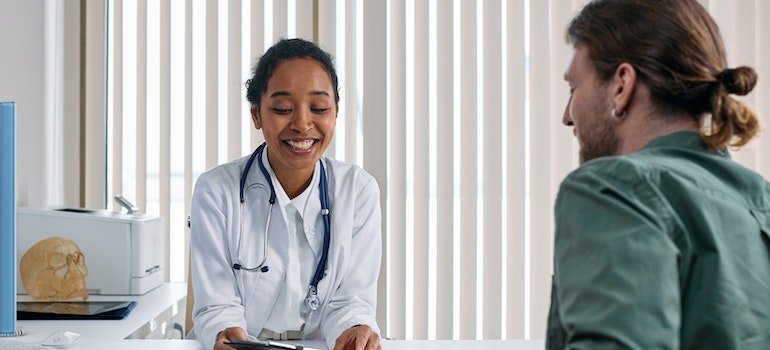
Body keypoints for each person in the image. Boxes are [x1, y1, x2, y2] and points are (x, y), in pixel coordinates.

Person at [547, 0, 770, 349]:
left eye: (573, 88)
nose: (567, 116)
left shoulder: (611, 188)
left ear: (622, 85)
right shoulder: (759, 200)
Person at [190, 38, 382, 350]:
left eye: (319, 108)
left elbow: (351, 301)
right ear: (256, 114)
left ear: (336, 113)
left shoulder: (357, 190)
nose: (302, 123)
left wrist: (355, 327)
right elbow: (217, 306)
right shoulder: (216, 190)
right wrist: (224, 332)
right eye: (282, 109)